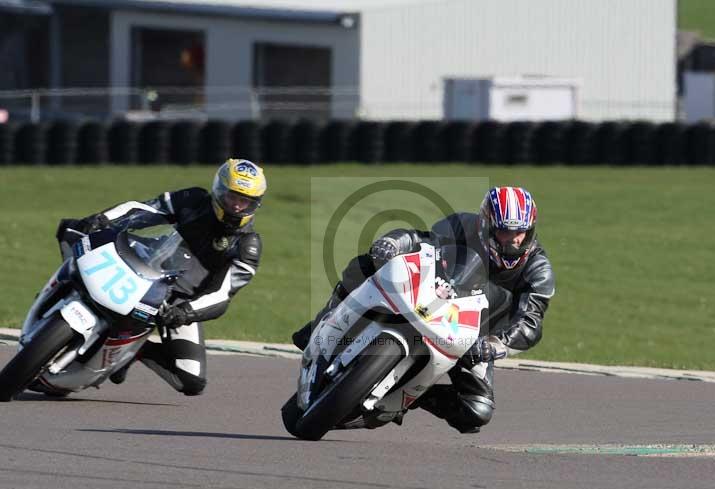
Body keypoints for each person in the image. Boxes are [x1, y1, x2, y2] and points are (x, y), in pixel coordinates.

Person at [292, 186, 555, 433]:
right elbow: (423, 240)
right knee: (366, 264)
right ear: (486, 225)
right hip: (437, 293)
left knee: (477, 410)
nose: (513, 241)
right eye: (504, 232)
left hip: (477, 335)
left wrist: (497, 343)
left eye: (520, 233)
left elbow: (531, 321)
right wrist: (394, 243)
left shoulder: (538, 270)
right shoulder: (462, 225)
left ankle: (410, 395)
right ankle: (321, 323)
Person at [41, 159, 266, 397]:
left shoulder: (248, 245)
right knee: (72, 231)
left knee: (190, 380)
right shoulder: (194, 199)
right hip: (146, 265)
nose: (237, 206)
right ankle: (60, 293)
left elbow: (222, 294)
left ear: (255, 204)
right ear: (219, 190)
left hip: (177, 302)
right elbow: (147, 209)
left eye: (245, 201)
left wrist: (185, 312)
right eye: (233, 197)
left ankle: (133, 351)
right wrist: (103, 219)